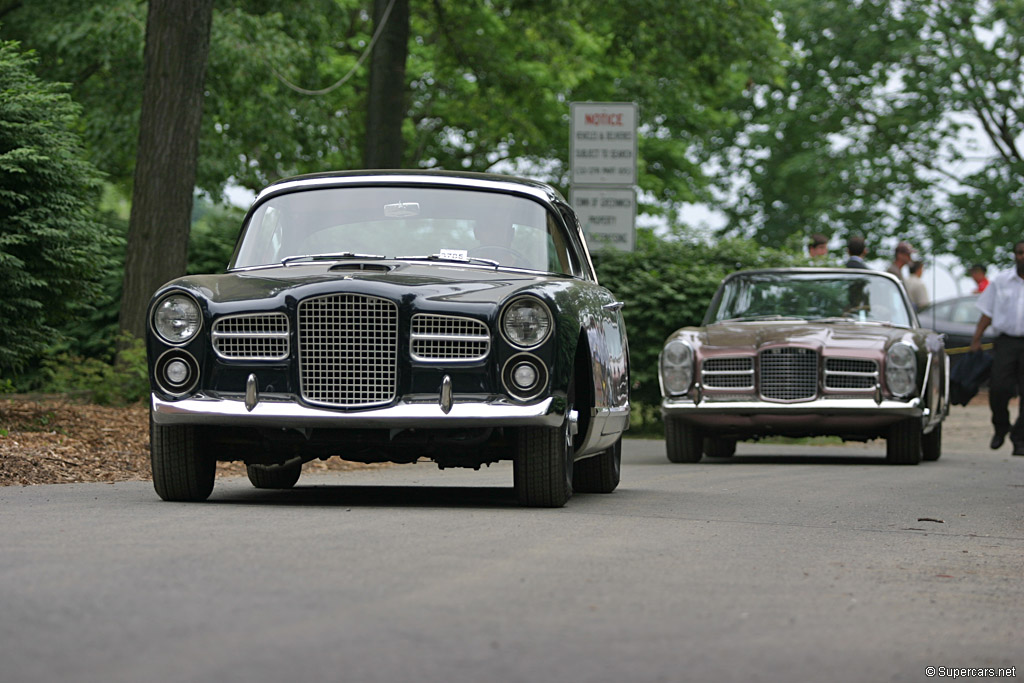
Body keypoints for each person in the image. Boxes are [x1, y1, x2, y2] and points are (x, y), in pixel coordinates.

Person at [970, 240, 1024, 455]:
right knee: (999, 389)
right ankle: (1001, 427)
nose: (1023, 257)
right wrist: (976, 340)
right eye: (1020, 253)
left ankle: (1020, 439)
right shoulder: (1001, 282)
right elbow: (987, 313)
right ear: (1014, 255)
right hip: (1006, 343)